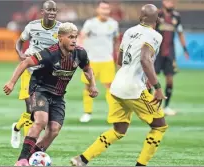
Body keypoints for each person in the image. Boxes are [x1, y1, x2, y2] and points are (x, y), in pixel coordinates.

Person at [71, 4, 168, 166]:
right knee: (159, 126)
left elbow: (120, 60)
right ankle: (141, 164)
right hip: (134, 88)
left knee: (118, 130)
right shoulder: (155, 36)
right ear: (157, 19)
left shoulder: (130, 31)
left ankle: (82, 158)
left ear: (140, 17)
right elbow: (145, 59)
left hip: (117, 85)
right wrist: (157, 86)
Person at [3, 22, 99, 166]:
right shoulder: (49, 54)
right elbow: (25, 63)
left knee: (54, 129)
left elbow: (87, 69)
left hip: (58, 95)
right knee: (41, 121)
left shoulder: (80, 53)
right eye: (70, 37)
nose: (74, 40)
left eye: (75, 37)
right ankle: (21, 160)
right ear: (60, 38)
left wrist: (92, 85)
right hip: (40, 89)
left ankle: (32, 158)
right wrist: (11, 82)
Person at [10, 0, 62, 149]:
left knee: (33, 113)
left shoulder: (60, 29)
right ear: (42, 12)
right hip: (30, 71)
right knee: (32, 110)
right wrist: (20, 54)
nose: (52, 12)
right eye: (49, 10)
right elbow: (19, 41)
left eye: (54, 10)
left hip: (47, 74)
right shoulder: (32, 26)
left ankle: (16, 127)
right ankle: (30, 148)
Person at [79, 0, 120, 123]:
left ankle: (113, 114)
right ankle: (87, 113)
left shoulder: (113, 24)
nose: (105, 11)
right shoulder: (90, 23)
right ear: (98, 10)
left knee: (110, 87)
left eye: (107, 9)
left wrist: (118, 58)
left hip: (107, 60)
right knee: (88, 86)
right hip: (91, 61)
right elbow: (81, 38)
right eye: (102, 8)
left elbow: (116, 41)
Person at [154, 0, 189, 116]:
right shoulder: (157, 15)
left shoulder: (176, 17)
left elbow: (180, 33)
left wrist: (185, 49)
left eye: (173, 2)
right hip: (156, 52)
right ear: (164, 2)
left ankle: (166, 107)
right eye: (169, 1)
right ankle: (147, 106)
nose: (171, 3)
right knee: (150, 79)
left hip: (170, 52)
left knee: (170, 79)